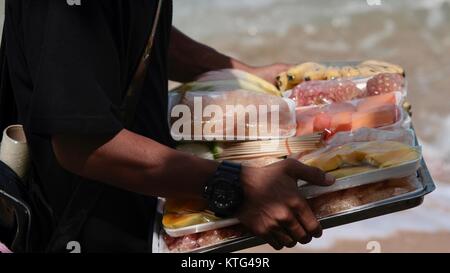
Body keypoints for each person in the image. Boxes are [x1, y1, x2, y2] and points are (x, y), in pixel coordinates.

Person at [1, 0, 335, 252]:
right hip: (78, 231)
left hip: (146, 214)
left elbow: (138, 22)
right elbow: (81, 146)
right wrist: (236, 187)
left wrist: (238, 73)